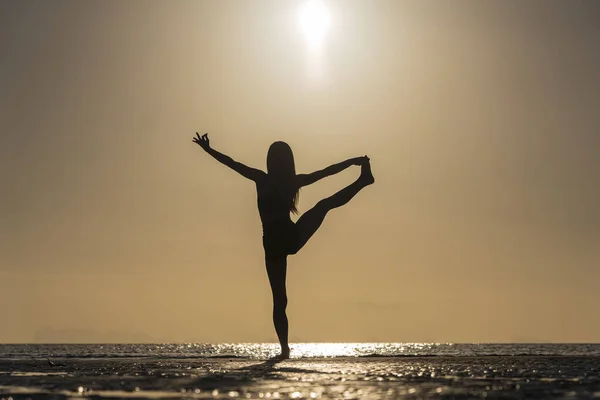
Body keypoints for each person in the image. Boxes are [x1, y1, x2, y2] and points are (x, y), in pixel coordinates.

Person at [193, 133, 374, 359]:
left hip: (272, 242)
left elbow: (233, 164)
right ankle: (362, 181)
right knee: (325, 205)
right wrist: (353, 161)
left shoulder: (263, 179)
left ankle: (284, 349)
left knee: (280, 299)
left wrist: (208, 150)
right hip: (290, 237)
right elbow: (327, 171)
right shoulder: (290, 181)